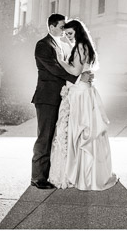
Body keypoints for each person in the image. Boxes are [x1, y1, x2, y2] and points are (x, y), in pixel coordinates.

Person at [47, 19, 118, 190]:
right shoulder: (85, 45)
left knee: (79, 131)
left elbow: (74, 71)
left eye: (71, 33)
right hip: (83, 90)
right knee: (84, 132)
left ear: (78, 32)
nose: (69, 37)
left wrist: (59, 61)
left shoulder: (80, 46)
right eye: (67, 34)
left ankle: (81, 175)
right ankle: (88, 173)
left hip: (80, 93)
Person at [31, 14, 93, 190]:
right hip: (47, 98)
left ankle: (51, 174)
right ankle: (37, 177)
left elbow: (70, 65)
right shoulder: (43, 45)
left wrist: (80, 75)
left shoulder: (62, 44)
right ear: (51, 27)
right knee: (45, 137)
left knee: (57, 136)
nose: (64, 30)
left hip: (62, 96)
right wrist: (78, 78)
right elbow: (54, 69)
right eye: (61, 26)